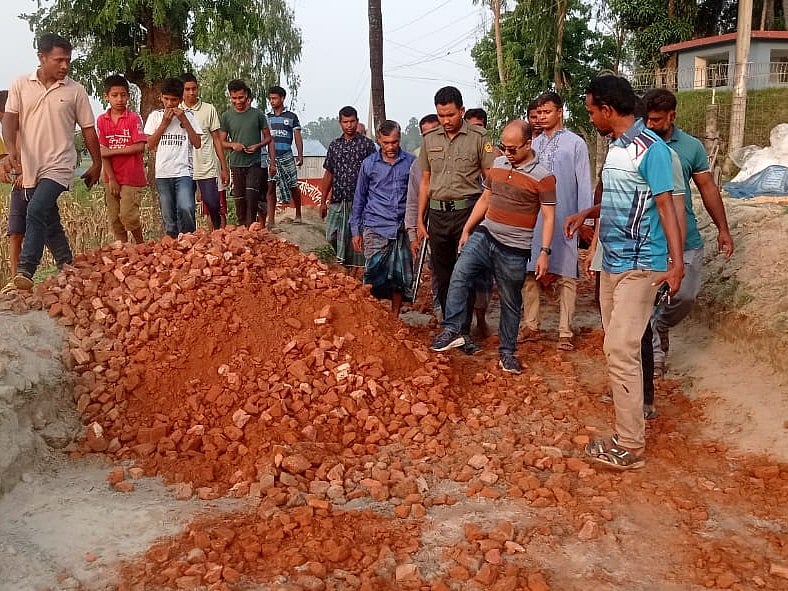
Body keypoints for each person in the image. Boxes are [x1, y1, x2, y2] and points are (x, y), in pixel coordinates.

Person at [582, 74, 684, 470]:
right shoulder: (617, 148)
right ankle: (628, 431)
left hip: (642, 266)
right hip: (612, 263)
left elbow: (666, 207)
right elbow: (620, 202)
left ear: (608, 110)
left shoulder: (651, 150)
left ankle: (630, 445)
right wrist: (590, 224)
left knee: (620, 349)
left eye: (592, 110)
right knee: (619, 348)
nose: (590, 117)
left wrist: (675, 265)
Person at [430, 119, 556, 374]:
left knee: (510, 301)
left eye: (512, 149)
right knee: (460, 274)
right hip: (485, 234)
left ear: (528, 144)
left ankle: (507, 353)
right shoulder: (498, 165)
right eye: (504, 147)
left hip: (515, 248)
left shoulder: (543, 177)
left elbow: (549, 216)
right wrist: (467, 229)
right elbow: (486, 199)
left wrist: (544, 252)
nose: (507, 153)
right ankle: (453, 328)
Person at [642, 88, 735, 376]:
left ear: (673, 116)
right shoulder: (639, 145)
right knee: (646, 300)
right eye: (646, 119)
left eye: (656, 120)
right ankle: (655, 357)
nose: (650, 125)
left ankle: (661, 323)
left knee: (685, 296)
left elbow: (707, 188)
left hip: (687, 236)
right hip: (650, 237)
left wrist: (723, 228)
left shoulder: (691, 147)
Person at [3, 33, 102, 291]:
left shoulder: (75, 90)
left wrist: (97, 163)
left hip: (59, 165)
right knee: (48, 219)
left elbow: (89, 130)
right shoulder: (21, 84)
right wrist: (11, 149)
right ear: (41, 57)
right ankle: (66, 264)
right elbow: (10, 120)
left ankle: (26, 269)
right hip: (31, 165)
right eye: (59, 60)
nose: (64, 66)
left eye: (68, 60)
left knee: (35, 210)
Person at [415, 86, 495, 354]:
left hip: (467, 212)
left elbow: (491, 180)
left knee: (467, 272)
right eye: (441, 115)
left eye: (450, 115)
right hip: (437, 214)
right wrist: (419, 219)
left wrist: (483, 218)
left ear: (461, 111)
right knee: (443, 273)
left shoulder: (479, 138)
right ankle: (451, 327)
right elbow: (425, 182)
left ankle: (462, 330)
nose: (446, 121)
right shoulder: (429, 140)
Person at [522, 91, 593, 350]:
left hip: (567, 216)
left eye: (546, 112)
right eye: (538, 113)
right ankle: (531, 325)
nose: (541, 117)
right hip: (537, 218)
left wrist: (585, 219)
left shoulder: (575, 143)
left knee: (566, 273)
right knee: (531, 272)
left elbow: (584, 181)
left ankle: (565, 330)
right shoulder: (534, 145)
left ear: (560, 112)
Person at [349, 120, 416, 317]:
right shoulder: (369, 164)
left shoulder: (411, 163)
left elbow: (417, 195)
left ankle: (395, 316)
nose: (390, 147)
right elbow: (359, 198)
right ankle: (372, 317)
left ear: (399, 139)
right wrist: (355, 231)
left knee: (400, 275)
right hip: (375, 226)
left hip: (401, 228)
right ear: (378, 140)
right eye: (386, 143)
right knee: (373, 273)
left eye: (394, 142)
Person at [320, 106, 376, 274]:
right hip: (338, 200)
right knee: (332, 236)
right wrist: (323, 201)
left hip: (359, 202)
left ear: (357, 121)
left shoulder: (367, 145)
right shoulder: (334, 146)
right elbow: (328, 173)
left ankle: (355, 274)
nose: (349, 125)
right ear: (340, 123)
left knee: (357, 238)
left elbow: (374, 173)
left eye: (352, 121)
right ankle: (342, 269)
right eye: (345, 122)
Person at [144, 77, 202, 238]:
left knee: (187, 208)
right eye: (166, 99)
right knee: (168, 215)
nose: (170, 103)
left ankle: (190, 240)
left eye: (174, 100)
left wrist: (183, 119)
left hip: (183, 171)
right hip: (163, 172)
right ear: (161, 97)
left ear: (180, 99)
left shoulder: (189, 115)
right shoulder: (155, 116)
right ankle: (172, 247)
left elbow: (197, 143)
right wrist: (164, 123)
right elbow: (149, 144)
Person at [96, 74, 147, 244]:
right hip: (111, 176)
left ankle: (141, 245)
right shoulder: (102, 120)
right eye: (114, 95)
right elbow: (102, 152)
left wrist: (111, 152)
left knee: (128, 216)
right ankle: (124, 250)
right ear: (107, 97)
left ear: (128, 96)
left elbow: (140, 146)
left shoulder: (133, 118)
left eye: (123, 95)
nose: (119, 99)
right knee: (115, 219)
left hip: (131, 175)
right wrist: (111, 178)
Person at [220, 79, 275, 227]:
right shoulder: (226, 116)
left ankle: (251, 228)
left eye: (240, 97)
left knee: (252, 196)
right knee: (239, 200)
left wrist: (258, 145)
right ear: (230, 97)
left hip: (254, 163)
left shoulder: (257, 115)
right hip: (236, 163)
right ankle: (242, 230)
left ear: (247, 96)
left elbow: (269, 138)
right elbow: (221, 142)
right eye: (234, 98)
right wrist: (233, 145)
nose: (237, 101)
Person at [180, 73, 230, 231]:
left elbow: (216, 139)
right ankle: (188, 242)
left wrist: (224, 166)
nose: (191, 93)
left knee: (213, 204)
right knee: (186, 207)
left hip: (207, 165)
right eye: (187, 89)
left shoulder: (209, 109)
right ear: (182, 91)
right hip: (184, 167)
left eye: (194, 88)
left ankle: (218, 236)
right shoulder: (176, 111)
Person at [463, 108, 496, 337]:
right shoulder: (457, 149)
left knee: (484, 270)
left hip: (485, 215)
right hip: (460, 213)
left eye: (481, 125)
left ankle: (481, 319)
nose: (477, 129)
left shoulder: (492, 151)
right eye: (473, 125)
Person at [405, 114, 441, 311]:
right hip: (432, 222)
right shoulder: (418, 165)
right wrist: (413, 234)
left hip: (460, 221)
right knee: (436, 264)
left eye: (435, 132)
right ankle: (439, 304)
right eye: (426, 135)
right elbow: (412, 201)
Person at [264, 85, 303, 226]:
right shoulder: (266, 118)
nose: (272, 101)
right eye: (270, 99)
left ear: (282, 98)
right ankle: (271, 220)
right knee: (270, 186)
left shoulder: (291, 117)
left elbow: (297, 136)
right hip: (271, 158)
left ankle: (298, 214)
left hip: (287, 155)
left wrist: (300, 154)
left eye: (274, 98)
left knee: (293, 185)